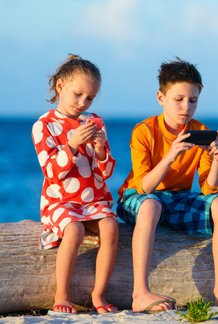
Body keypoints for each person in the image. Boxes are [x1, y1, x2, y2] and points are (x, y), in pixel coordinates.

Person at [116, 58, 218, 313]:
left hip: (176, 198)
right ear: (161, 97)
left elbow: (209, 189)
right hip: (137, 196)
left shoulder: (200, 131)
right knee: (150, 206)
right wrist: (170, 156)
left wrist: (216, 160)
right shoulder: (144, 131)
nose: (186, 107)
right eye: (178, 99)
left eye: (192, 100)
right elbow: (145, 186)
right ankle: (140, 293)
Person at [31, 54, 119, 314]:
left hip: (92, 199)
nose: (83, 103)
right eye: (77, 94)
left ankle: (99, 294)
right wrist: (71, 144)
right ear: (60, 86)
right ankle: (62, 294)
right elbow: (51, 172)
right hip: (60, 200)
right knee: (74, 230)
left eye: (89, 98)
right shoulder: (44, 126)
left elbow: (107, 171)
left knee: (111, 226)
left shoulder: (94, 121)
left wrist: (101, 148)